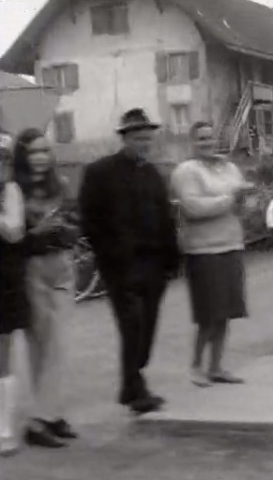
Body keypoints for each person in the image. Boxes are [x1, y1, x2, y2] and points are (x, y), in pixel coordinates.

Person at [79, 108, 180, 415]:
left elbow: (166, 218)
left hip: (153, 264)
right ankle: (134, 389)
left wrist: (172, 258)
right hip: (121, 266)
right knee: (132, 326)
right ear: (124, 139)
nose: (144, 144)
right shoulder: (100, 172)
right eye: (138, 138)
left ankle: (132, 383)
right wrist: (109, 253)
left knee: (147, 327)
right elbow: (89, 219)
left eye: (148, 139)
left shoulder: (153, 174)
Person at [170, 121, 251, 386]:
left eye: (210, 137)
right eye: (201, 139)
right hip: (204, 250)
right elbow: (193, 207)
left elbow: (243, 203)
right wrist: (230, 200)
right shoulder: (186, 171)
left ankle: (216, 366)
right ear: (192, 142)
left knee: (227, 312)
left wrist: (247, 202)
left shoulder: (229, 167)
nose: (207, 143)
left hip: (231, 244)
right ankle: (195, 366)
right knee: (208, 314)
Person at [14, 128, 79, 447]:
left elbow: (76, 222)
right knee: (42, 344)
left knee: (61, 344)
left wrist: (67, 228)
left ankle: (51, 413)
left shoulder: (61, 185)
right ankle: (38, 421)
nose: (40, 157)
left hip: (62, 266)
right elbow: (14, 241)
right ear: (23, 157)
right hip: (33, 268)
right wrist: (37, 231)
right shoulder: (15, 191)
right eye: (33, 152)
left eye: (44, 150)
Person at [0, 132, 27, 456]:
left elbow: (14, 231)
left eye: (5, 158)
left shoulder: (11, 191)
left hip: (4, 278)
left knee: (3, 351)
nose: (2, 165)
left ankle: (4, 427)